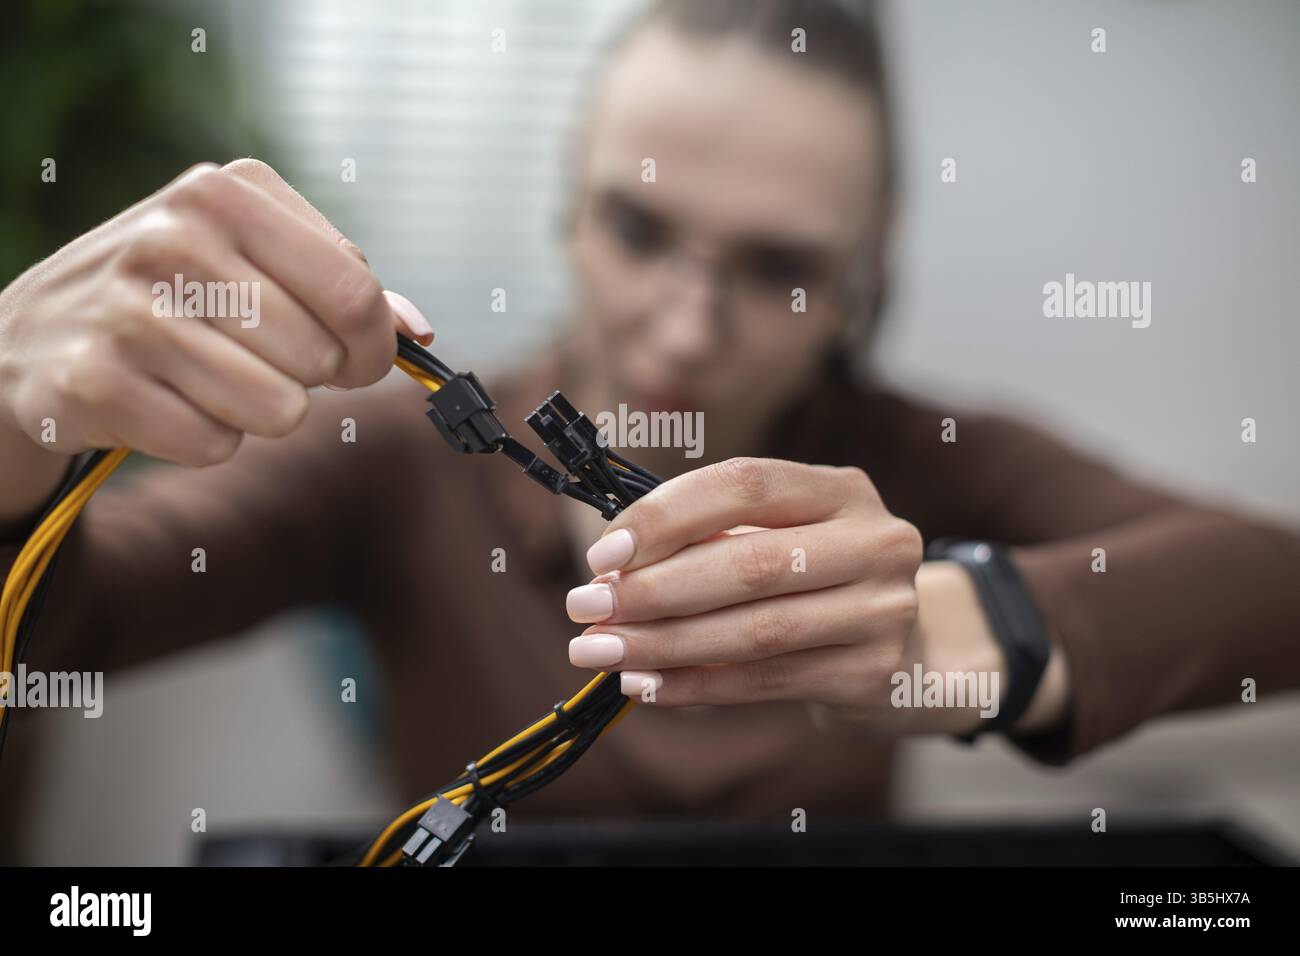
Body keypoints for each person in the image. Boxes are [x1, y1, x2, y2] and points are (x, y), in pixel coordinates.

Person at [1, 0, 1297, 825]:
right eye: (637, 227)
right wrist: (11, 425)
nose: (684, 329)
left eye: (777, 268)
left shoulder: (915, 457)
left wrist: (953, 623)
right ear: (566, 206)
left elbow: (1270, 586)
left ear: (865, 277)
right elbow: (66, 620)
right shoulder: (396, 459)